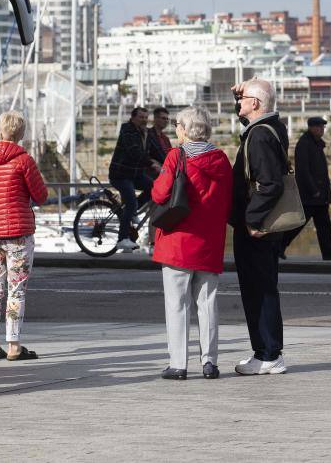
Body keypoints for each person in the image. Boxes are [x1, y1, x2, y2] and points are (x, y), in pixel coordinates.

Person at [152, 107, 232, 381]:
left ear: (185, 130)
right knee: (207, 302)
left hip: (178, 241)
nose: (175, 129)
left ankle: (179, 364)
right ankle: (210, 362)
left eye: (177, 125)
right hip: (209, 240)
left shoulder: (177, 156)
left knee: (177, 304)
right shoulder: (221, 159)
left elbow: (160, 192)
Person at [0, 110, 48, 362]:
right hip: (19, 235)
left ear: (0, 131)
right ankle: (14, 345)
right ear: (21, 134)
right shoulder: (24, 160)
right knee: (16, 290)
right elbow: (41, 196)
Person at [230, 78, 289, 376]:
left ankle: (268, 353)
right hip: (261, 225)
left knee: (259, 290)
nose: (239, 104)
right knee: (259, 288)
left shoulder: (260, 136)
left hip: (257, 228)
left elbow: (270, 184)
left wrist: (252, 220)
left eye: (243, 100)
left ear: (255, 103)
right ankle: (265, 351)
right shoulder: (270, 127)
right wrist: (239, 95)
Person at [281, 117, 331, 261]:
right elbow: (303, 170)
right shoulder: (305, 144)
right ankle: (279, 245)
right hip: (311, 195)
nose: (322, 130)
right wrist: (313, 190)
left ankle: (329, 253)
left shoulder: (316, 144)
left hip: (319, 194)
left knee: (323, 225)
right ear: (312, 128)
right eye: (320, 127)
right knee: (300, 223)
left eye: (323, 127)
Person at [108, 107, 162, 251]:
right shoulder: (127, 130)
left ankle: (131, 213)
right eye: (141, 117)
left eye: (146, 117)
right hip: (120, 174)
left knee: (154, 188)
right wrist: (151, 163)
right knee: (131, 202)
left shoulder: (146, 133)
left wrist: (171, 162)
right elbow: (134, 151)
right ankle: (122, 239)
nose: (144, 120)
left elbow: (157, 151)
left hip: (135, 174)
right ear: (133, 118)